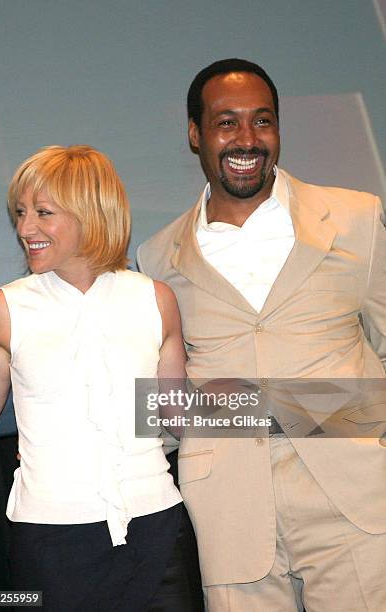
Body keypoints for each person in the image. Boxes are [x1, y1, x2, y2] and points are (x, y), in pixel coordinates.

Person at [137, 59, 386, 611]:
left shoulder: (356, 218)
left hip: (357, 501)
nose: (246, 139)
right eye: (226, 123)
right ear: (196, 135)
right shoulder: (155, 258)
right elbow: (162, 403)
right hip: (230, 512)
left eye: (262, 121)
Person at [0, 145, 187, 611]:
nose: (25, 229)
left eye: (43, 213)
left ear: (91, 214)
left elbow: (172, 413)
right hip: (49, 544)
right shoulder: (3, 310)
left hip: (156, 529)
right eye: (21, 212)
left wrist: (308, 408)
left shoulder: (154, 299)